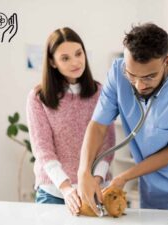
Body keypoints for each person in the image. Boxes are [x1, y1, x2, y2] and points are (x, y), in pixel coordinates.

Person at [77, 23, 168, 214]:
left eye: (149, 77)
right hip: (152, 192)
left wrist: (123, 177)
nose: (139, 85)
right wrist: (83, 171)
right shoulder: (118, 74)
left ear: (167, 61)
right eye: (132, 75)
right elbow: (99, 124)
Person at [26, 27, 115, 215]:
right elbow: (43, 149)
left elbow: (107, 144)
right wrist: (66, 188)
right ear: (52, 62)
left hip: (97, 189)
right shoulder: (38, 97)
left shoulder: (100, 92)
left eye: (78, 53)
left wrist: (95, 181)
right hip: (54, 192)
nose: (76, 62)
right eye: (65, 58)